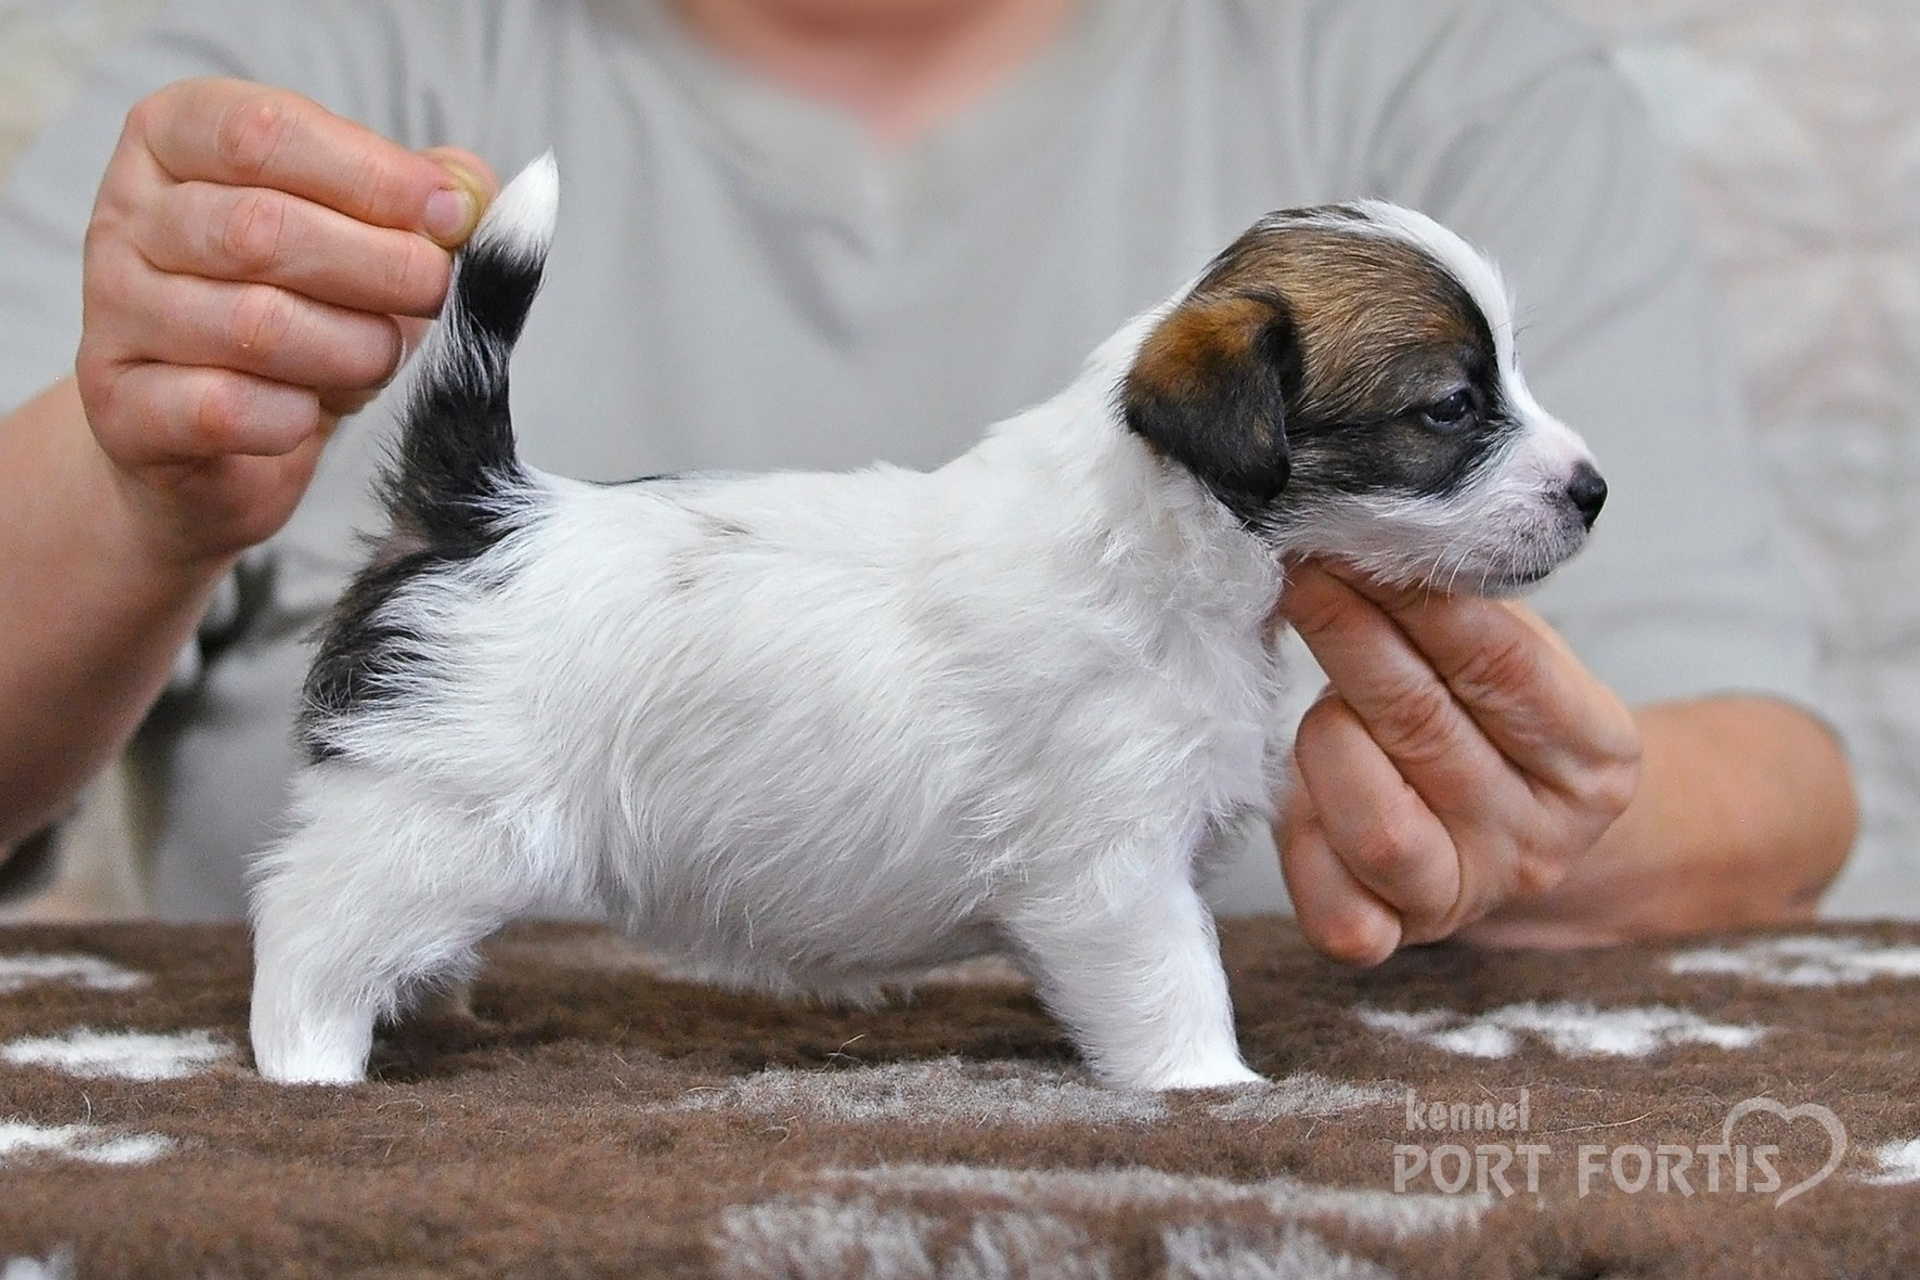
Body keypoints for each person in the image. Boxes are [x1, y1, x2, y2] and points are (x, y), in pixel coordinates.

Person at [0, 0, 1857, 957]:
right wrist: (129, 474)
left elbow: (1783, 789)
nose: (1536, 449)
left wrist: (1531, 831)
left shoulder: (1432, 72)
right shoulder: (304, 54)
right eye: (1467, 405)